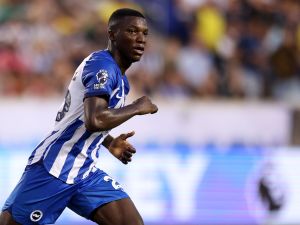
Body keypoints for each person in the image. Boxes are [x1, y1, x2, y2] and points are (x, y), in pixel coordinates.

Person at [0, 8, 158, 225]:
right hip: (55, 167)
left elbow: (84, 120)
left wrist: (109, 141)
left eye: (145, 33)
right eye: (132, 31)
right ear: (112, 34)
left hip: (84, 172)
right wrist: (136, 107)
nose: (140, 39)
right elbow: (95, 120)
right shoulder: (103, 66)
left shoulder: (119, 78)